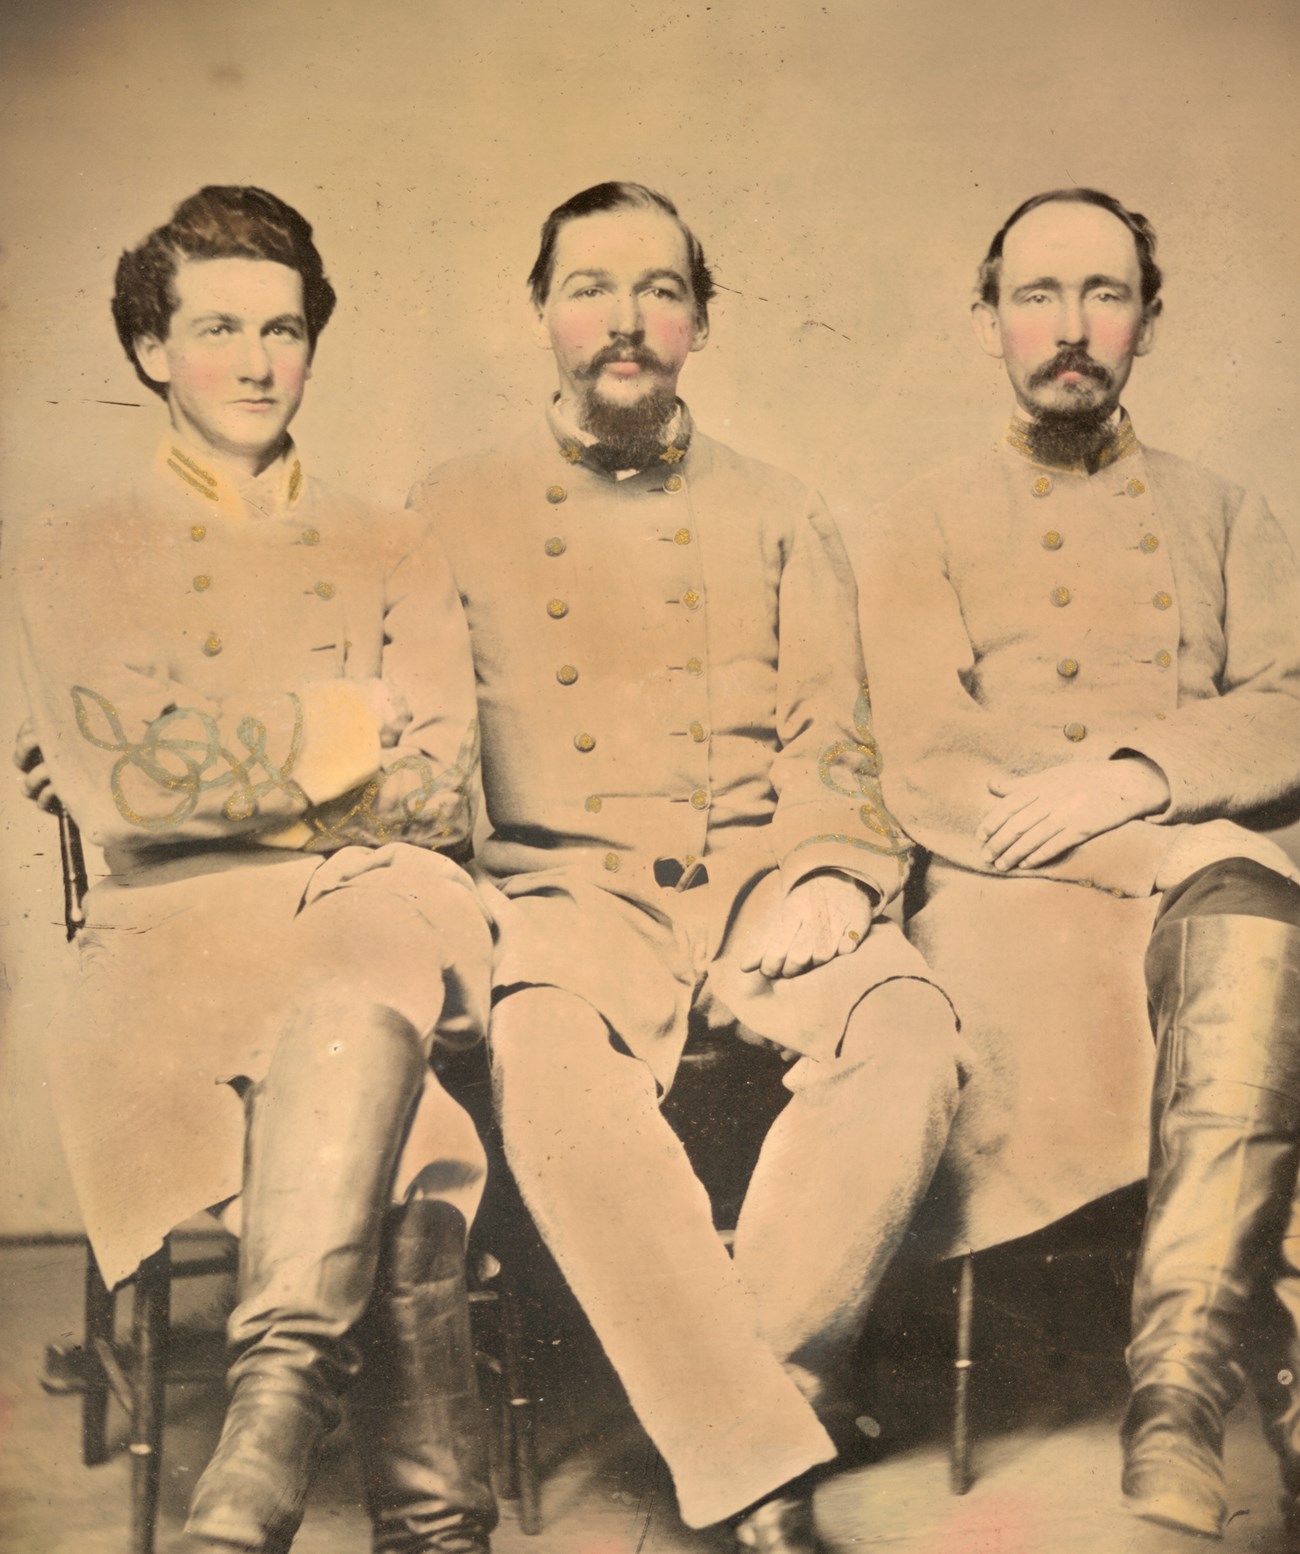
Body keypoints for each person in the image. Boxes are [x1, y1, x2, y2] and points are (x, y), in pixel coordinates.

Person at [408, 181, 966, 1554]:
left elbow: (836, 737)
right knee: (546, 1060)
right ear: (542, 313)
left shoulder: (782, 509)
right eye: (591, 287)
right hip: (558, 896)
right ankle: (764, 1462)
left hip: (757, 886)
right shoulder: (451, 512)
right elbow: (408, 742)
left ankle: (735, 1404)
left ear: (702, 321)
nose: (626, 320)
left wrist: (835, 874)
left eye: (661, 290)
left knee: (911, 1028)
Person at [13, 186, 497, 1553]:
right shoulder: (74, 546)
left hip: (384, 905)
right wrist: (341, 728)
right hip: (174, 954)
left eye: (284, 328)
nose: (257, 358)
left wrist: (213, 775)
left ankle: (263, 1432)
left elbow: (442, 788)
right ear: (151, 350)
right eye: (218, 325)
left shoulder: (390, 536)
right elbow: (123, 783)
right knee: (408, 1129)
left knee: (384, 930)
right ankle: (436, 1519)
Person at [856, 186, 1300, 1539]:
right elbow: (924, 753)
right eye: (1038, 296)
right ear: (989, 319)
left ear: (1148, 323)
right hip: (1009, 893)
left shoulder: (1227, 511)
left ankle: (1173, 1389)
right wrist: (1146, 834)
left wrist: (1137, 774)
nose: (1071, 328)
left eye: (1104, 295)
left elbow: (1289, 702)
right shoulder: (918, 517)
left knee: (1259, 923)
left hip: (1196, 862)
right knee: (1254, 916)